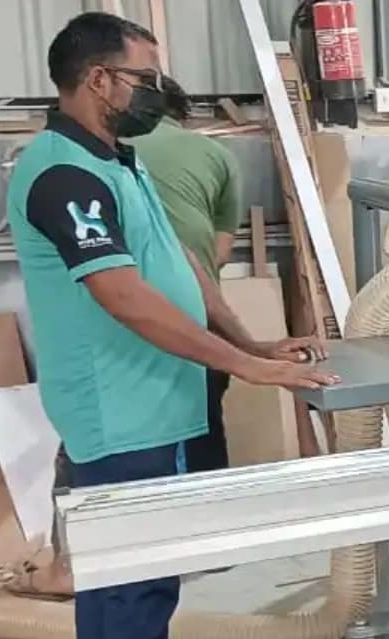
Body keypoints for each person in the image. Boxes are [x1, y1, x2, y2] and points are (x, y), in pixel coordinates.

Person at [7, 12, 339, 639]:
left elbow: (179, 261)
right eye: (146, 78)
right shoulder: (62, 174)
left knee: (130, 583)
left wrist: (251, 344)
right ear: (100, 80)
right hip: (121, 415)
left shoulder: (116, 161)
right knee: (132, 590)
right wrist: (247, 370)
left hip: (159, 404)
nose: (158, 92)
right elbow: (123, 295)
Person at [123, 75, 248, 472]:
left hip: (119, 327)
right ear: (183, 116)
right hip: (197, 315)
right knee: (201, 443)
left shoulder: (101, 153)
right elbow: (219, 252)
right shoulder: (215, 153)